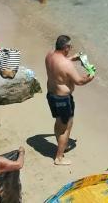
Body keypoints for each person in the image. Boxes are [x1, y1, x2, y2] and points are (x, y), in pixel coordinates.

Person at [44, 35, 95, 165]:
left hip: (51, 95)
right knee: (66, 127)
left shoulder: (49, 55)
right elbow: (79, 81)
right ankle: (59, 158)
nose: (71, 49)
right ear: (66, 47)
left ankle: (62, 145)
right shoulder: (66, 64)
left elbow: (59, 65)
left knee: (60, 122)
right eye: (70, 47)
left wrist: (72, 58)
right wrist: (91, 76)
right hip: (62, 99)